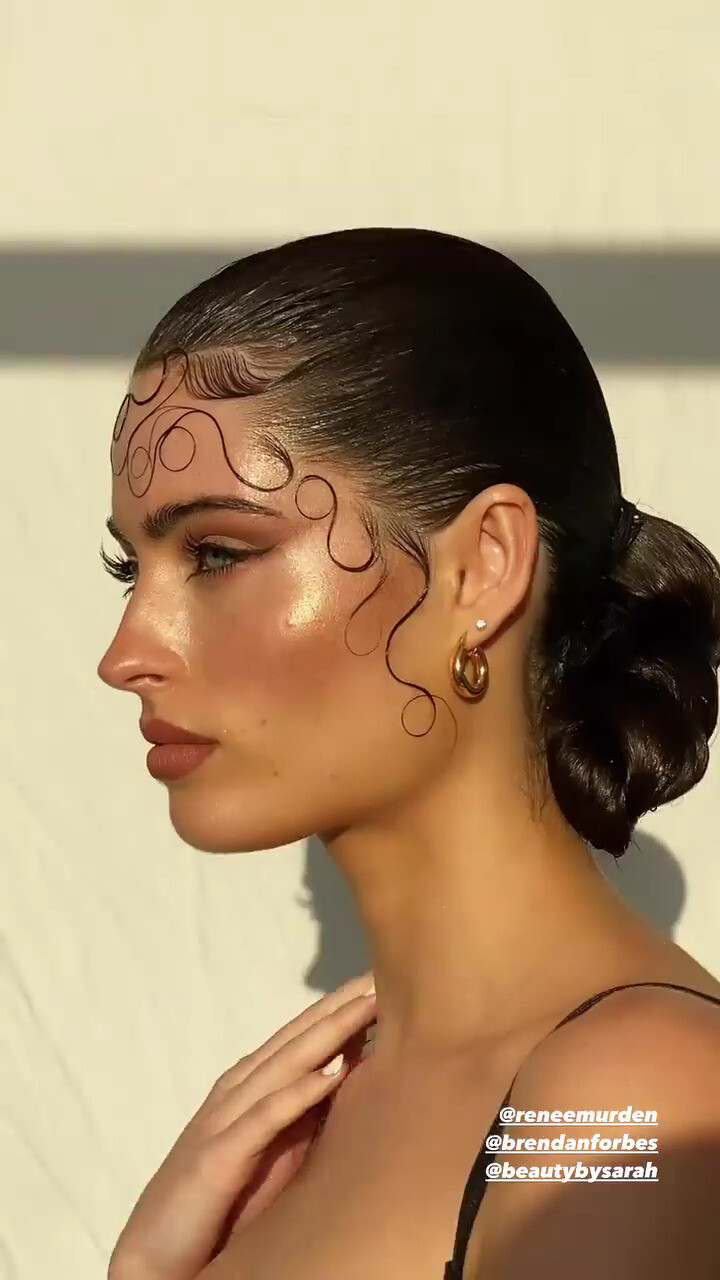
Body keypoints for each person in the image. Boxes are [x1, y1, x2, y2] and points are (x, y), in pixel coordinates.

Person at [99, 228, 720, 1280]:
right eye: (132, 569)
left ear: (481, 569)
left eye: (218, 553)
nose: (126, 655)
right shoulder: (322, 1107)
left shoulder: (628, 1104)